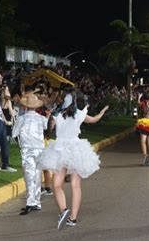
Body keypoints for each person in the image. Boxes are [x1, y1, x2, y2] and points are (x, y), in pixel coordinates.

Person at [38, 93, 109, 229]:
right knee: (75, 185)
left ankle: (64, 210)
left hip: (59, 149)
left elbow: (49, 128)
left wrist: (50, 116)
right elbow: (94, 120)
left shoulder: (57, 114)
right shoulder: (79, 114)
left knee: (57, 184)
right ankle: (73, 218)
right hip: (76, 149)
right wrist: (102, 112)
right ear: (75, 101)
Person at [12, 93, 48, 215]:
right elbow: (46, 126)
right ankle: (36, 202)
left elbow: (14, 133)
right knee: (37, 175)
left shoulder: (22, 118)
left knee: (29, 175)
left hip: (28, 149)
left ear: (25, 106)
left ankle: (30, 202)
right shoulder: (41, 118)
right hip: (39, 149)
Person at [0, 71, 16, 172]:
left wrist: (5, 120)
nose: (0, 80)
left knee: (4, 141)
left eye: (1, 78)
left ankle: (5, 164)